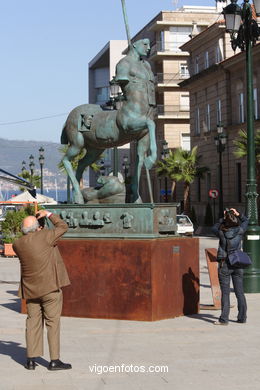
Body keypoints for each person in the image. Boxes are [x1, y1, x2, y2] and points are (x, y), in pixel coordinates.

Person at [13, 209, 72, 370]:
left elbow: (34, 239)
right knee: (53, 324)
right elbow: (63, 226)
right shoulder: (46, 237)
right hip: (50, 289)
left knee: (32, 324)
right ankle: (54, 360)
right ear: (38, 227)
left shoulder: (17, 244)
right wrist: (48, 214)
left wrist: (38, 228)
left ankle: (31, 360)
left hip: (31, 291)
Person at [212, 208, 249, 325]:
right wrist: (239, 214)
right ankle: (242, 317)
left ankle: (224, 319)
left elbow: (213, 228)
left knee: (226, 293)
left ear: (226, 221)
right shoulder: (240, 231)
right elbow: (246, 221)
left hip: (225, 264)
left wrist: (222, 219)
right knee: (240, 292)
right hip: (237, 263)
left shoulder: (222, 232)